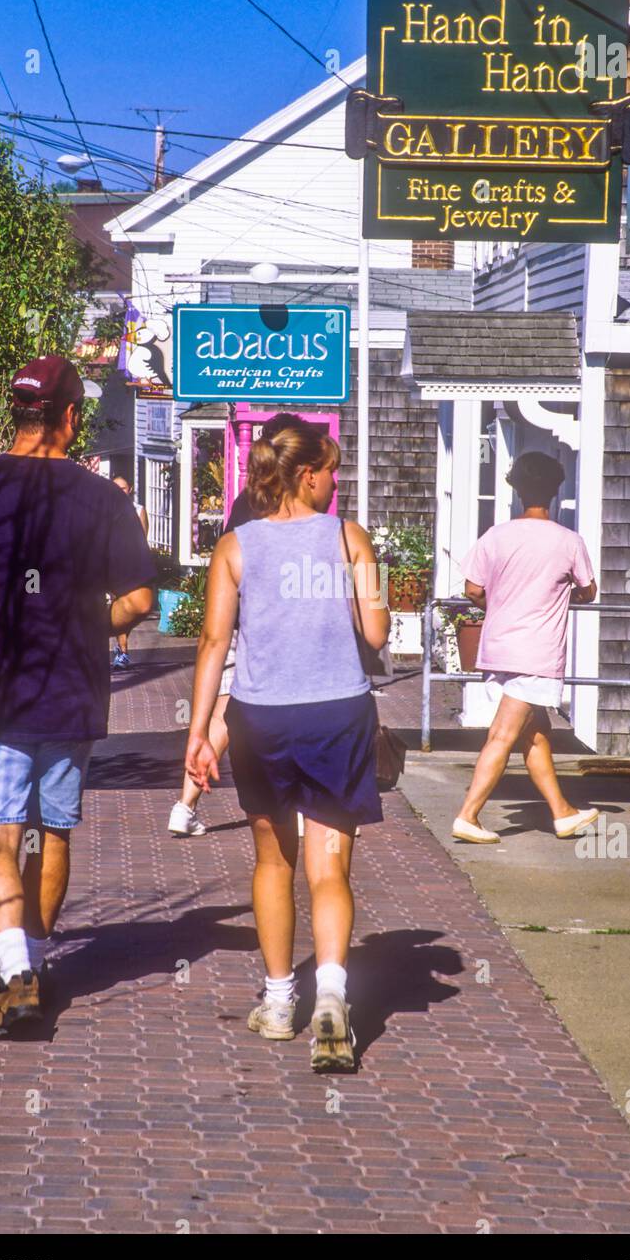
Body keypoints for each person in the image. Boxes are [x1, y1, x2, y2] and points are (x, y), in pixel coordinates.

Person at [0, 355, 156, 1039]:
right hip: (72, 690)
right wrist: (88, 624)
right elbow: (139, 600)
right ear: (70, 418)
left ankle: (13, 973)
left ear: (17, 414)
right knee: (50, 831)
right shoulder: (102, 499)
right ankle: (34, 967)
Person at [184, 424, 389, 1071]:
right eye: (332, 469)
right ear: (308, 475)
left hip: (261, 718)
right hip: (338, 714)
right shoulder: (348, 537)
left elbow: (214, 645)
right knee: (329, 869)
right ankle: (332, 999)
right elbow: (378, 633)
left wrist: (198, 731)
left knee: (273, 863)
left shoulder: (234, 546)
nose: (338, 481)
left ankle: (278, 1003)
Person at [167, 411, 311, 838]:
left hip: (239, 619)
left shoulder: (245, 502)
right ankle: (301, 805)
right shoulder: (297, 509)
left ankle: (184, 805)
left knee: (226, 711)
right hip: (278, 623)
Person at [453, 450, 600, 844]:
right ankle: (468, 815)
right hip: (535, 653)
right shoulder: (568, 541)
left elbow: (473, 588)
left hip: (497, 647)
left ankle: (562, 812)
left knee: (534, 734)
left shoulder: (496, 535)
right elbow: (588, 590)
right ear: (555, 490)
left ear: (516, 490)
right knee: (503, 734)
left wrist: (498, 604)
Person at [111, 476, 150, 669]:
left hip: (132, 564)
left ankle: (122, 649)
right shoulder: (106, 509)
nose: (119, 491)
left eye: (123, 488)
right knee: (119, 604)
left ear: (131, 489)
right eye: (116, 487)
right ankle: (122, 649)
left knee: (131, 606)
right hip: (112, 563)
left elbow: (142, 538)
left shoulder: (138, 509)